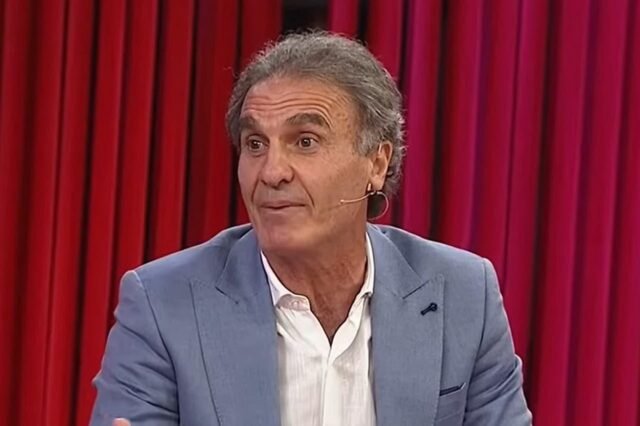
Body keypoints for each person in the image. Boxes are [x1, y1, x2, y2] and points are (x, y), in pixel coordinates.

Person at [91, 32, 532, 426]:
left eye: (305, 142)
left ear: (376, 164)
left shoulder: (463, 295)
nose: (272, 172)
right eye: (255, 144)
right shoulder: (163, 304)